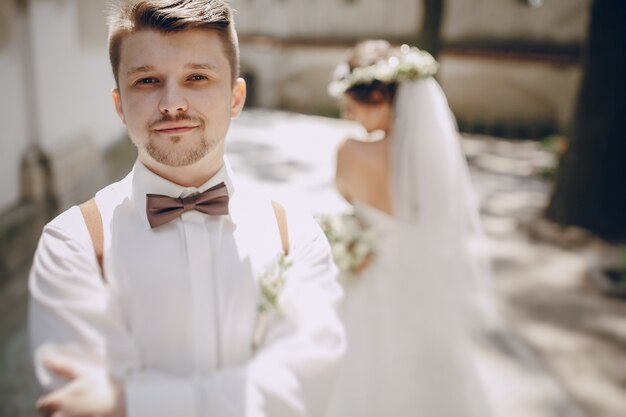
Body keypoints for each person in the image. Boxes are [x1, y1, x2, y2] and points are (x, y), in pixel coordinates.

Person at [28, 1, 345, 416]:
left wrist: (129, 402)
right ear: (119, 104)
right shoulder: (72, 244)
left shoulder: (296, 235)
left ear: (235, 97)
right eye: (147, 80)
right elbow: (78, 406)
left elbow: (301, 390)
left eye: (197, 77)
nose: (172, 103)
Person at [324, 40, 499, 416]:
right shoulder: (441, 149)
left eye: (355, 100)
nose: (349, 111)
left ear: (379, 97)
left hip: (369, 283)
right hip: (428, 287)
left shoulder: (350, 152)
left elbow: (348, 197)